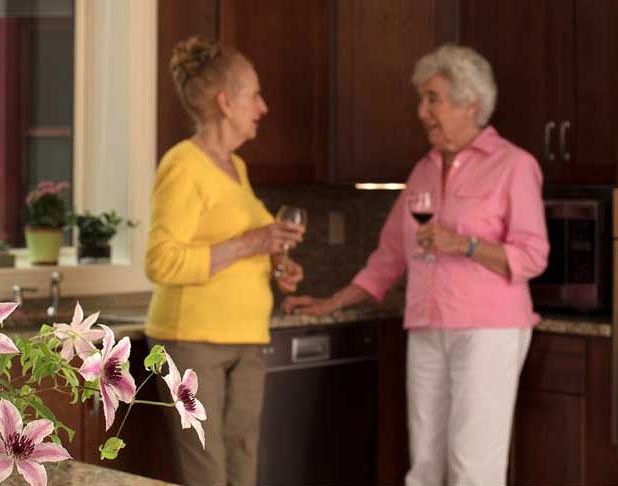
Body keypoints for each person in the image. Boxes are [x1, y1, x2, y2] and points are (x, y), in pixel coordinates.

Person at [283, 43, 549, 486]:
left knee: (472, 466)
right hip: (427, 327)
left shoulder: (514, 166)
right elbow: (389, 257)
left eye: (433, 98)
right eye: (421, 99)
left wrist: (463, 244)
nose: (422, 111)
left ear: (471, 104)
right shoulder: (423, 171)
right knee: (424, 464)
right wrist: (333, 302)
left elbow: (532, 255)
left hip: (488, 331)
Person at [145, 37, 305, 486]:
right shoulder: (182, 166)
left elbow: (236, 247)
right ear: (225, 101)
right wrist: (251, 241)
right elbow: (161, 261)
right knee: (208, 474)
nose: (264, 106)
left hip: (246, 339)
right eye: (254, 94)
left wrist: (275, 262)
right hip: (193, 339)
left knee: (243, 467)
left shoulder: (237, 167)